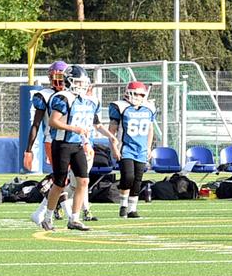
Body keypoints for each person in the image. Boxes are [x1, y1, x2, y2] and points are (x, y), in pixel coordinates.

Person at [38, 65, 116, 232]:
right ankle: (47, 217)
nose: (81, 85)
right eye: (78, 82)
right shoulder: (63, 98)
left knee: (83, 181)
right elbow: (53, 121)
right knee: (59, 184)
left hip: (78, 145)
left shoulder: (90, 101)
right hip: (62, 144)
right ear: (69, 81)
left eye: (83, 82)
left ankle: (74, 219)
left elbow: (95, 124)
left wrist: (110, 135)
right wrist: (74, 129)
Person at [27, 60, 72, 228]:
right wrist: (28, 150)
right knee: (62, 180)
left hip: (71, 141)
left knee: (66, 180)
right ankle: (67, 216)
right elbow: (36, 124)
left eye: (62, 77)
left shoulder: (72, 94)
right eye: (56, 77)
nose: (59, 81)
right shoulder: (44, 95)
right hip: (53, 140)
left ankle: (43, 213)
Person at [108, 81, 156, 219]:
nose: (138, 97)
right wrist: (114, 148)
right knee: (128, 176)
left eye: (141, 94)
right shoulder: (121, 107)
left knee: (138, 180)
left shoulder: (149, 108)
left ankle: (132, 209)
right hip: (126, 147)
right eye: (135, 93)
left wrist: (149, 147)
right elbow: (112, 130)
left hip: (141, 149)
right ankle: (123, 205)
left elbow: (150, 129)